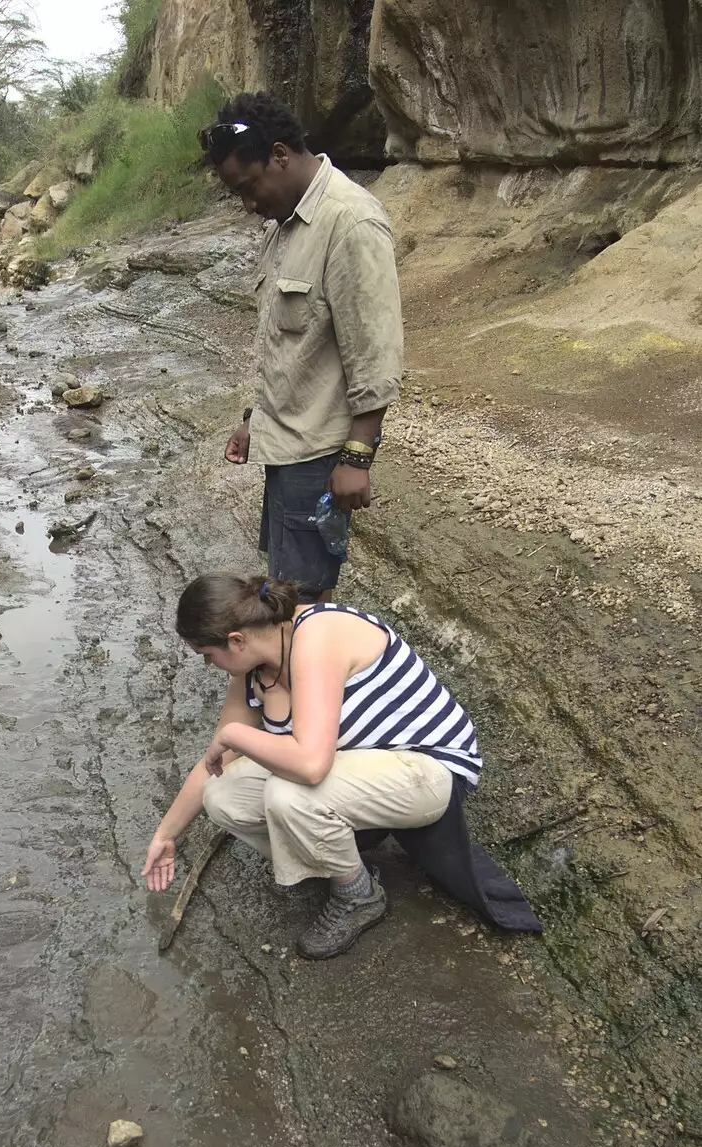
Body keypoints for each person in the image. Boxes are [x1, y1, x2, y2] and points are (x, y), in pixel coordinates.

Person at [142, 575, 542, 958]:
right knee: (223, 793)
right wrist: (166, 834)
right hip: (362, 769)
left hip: (430, 769)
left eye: (208, 656)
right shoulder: (251, 671)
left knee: (290, 792)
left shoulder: (317, 634)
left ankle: (358, 896)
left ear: (236, 639)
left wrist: (234, 735)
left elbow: (311, 765)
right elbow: (215, 764)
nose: (211, 666)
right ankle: (333, 860)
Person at [199, 92, 403, 602]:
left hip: (318, 454)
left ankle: (309, 679)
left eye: (249, 188)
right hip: (284, 444)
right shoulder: (286, 223)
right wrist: (255, 418)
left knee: (303, 605)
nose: (249, 206)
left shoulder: (350, 222)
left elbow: (375, 355)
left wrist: (358, 459)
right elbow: (290, 342)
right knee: (285, 589)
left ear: (280, 155)